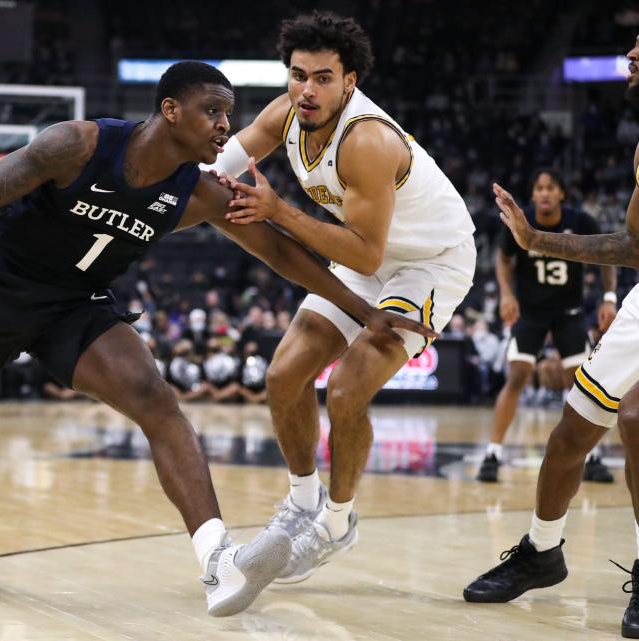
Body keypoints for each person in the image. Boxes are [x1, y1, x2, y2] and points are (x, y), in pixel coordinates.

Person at [0, 61, 435, 617]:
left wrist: (361, 306)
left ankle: (219, 560)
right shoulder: (74, 146)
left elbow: (277, 251)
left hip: (77, 308)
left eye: (229, 115)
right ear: (170, 110)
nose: (225, 127)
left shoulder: (198, 193)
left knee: (158, 403)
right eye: (212, 111)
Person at [206, 11, 475, 582]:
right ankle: (302, 502)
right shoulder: (285, 115)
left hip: (427, 262)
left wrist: (278, 211)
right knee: (283, 376)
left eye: (323, 77)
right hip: (362, 250)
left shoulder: (368, 141)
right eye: (298, 74)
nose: (307, 89)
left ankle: (336, 521)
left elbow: (367, 256)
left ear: (349, 81)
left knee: (348, 390)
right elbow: (213, 170)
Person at [463, 35, 639, 638]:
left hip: (582, 310)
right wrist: (538, 242)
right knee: (572, 429)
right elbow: (635, 245)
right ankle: (542, 551)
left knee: (637, 421)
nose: (631, 58)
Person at [477, 169, 617, 483]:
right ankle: (493, 453)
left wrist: (608, 297)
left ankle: (591, 456)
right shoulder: (522, 220)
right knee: (516, 377)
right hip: (531, 311)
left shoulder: (580, 222)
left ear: (561, 194)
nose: (544, 193)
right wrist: (506, 293)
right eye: (539, 187)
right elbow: (502, 257)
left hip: (569, 312)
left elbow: (608, 255)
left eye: (550, 187)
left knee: (580, 384)